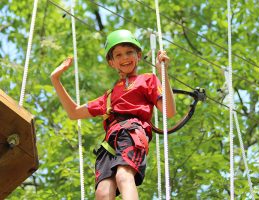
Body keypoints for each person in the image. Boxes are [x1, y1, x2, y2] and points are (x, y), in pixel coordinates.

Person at [50, 29, 176, 200]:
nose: (124, 58)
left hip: (131, 132)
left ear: (138, 55)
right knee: (102, 192)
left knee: (123, 176)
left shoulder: (147, 80)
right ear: (111, 62)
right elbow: (73, 112)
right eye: (118, 55)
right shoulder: (108, 97)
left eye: (129, 52)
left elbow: (169, 111)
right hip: (109, 142)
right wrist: (55, 80)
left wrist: (163, 73)